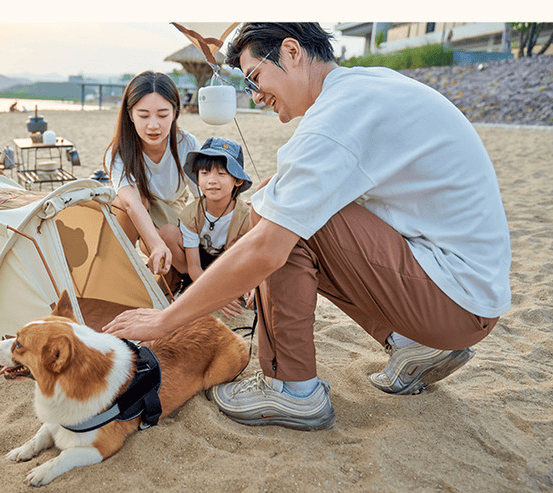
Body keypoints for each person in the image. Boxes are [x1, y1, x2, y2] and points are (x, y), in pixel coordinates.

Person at [103, 23, 511, 432]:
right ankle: (414, 347)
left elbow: (267, 249)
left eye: (254, 78)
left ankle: (290, 386)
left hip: (455, 302)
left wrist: (164, 321)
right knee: (277, 195)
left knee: (278, 214)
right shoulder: (365, 88)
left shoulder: (335, 119)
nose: (256, 96)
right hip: (463, 288)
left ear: (292, 52)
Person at [104, 71, 201, 279]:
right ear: (130, 115)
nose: (153, 125)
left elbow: (202, 198)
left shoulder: (187, 144)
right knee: (120, 203)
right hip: (141, 217)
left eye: (163, 115)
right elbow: (132, 204)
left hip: (173, 216)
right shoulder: (119, 153)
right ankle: (122, 271)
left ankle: (190, 277)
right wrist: (156, 244)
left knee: (168, 235)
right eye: (144, 115)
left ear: (175, 113)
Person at [171, 136, 253, 316]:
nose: (212, 181)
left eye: (222, 174)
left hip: (229, 267)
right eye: (205, 173)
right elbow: (194, 267)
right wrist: (216, 298)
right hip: (200, 263)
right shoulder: (191, 214)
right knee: (168, 233)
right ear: (197, 179)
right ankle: (190, 285)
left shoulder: (247, 217)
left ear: (237, 180)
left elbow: (251, 259)